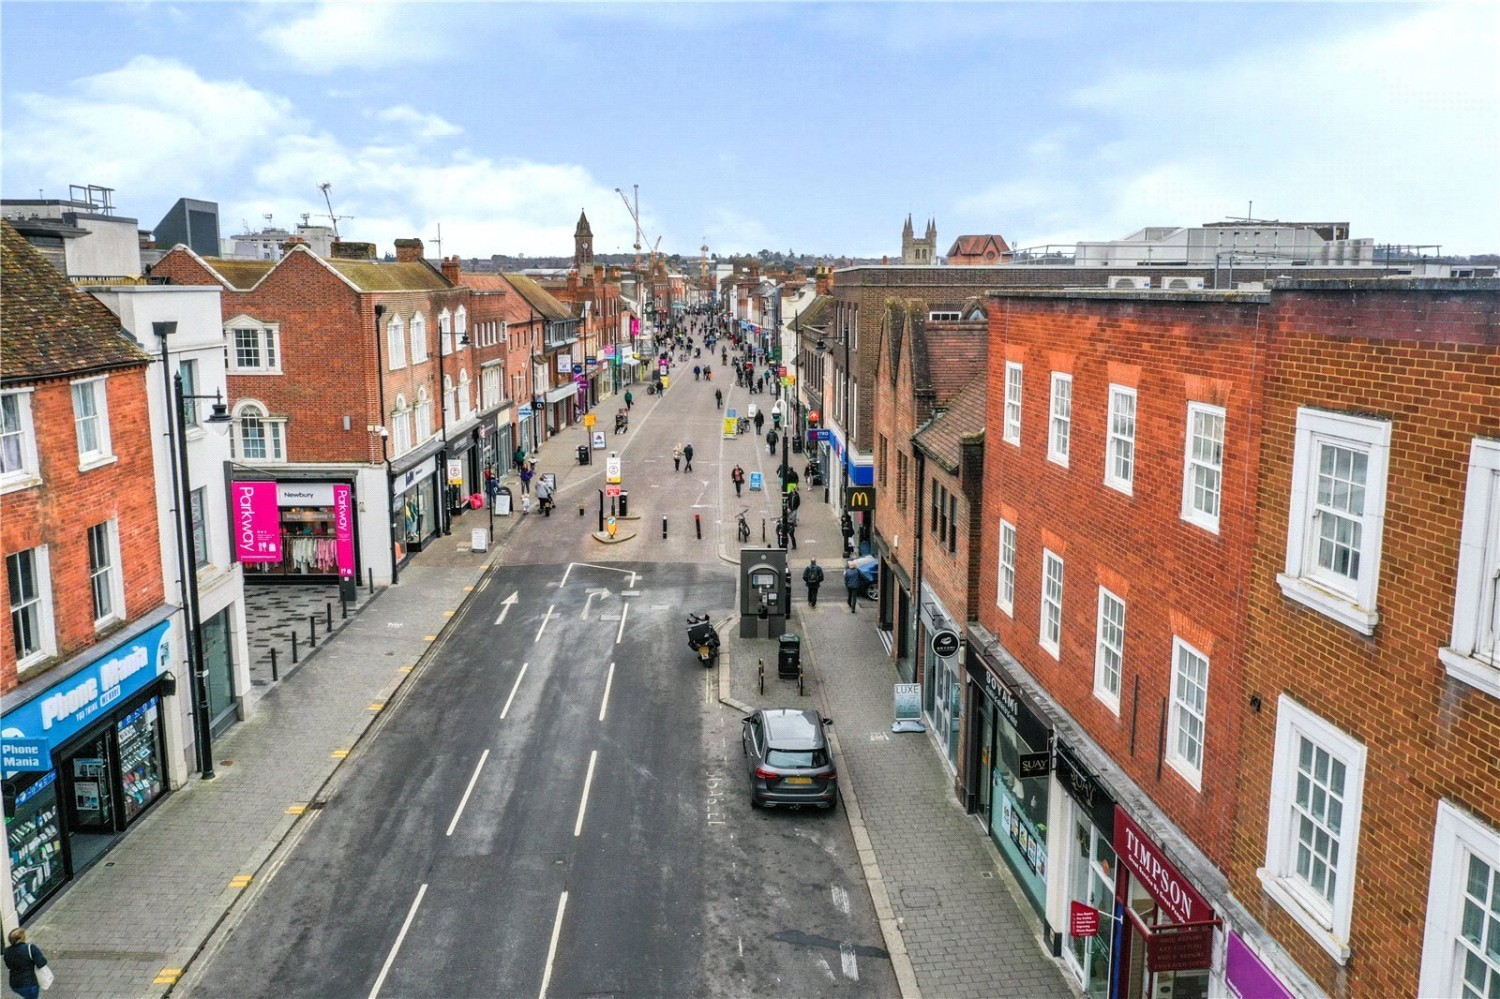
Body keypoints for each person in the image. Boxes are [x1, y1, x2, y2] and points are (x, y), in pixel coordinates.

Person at [3, 928, 48, 999]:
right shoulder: (30, 948)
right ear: (22, 938)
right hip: (30, 984)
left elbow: (8, 966)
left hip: (14, 985)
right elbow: (41, 964)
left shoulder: (7, 951)